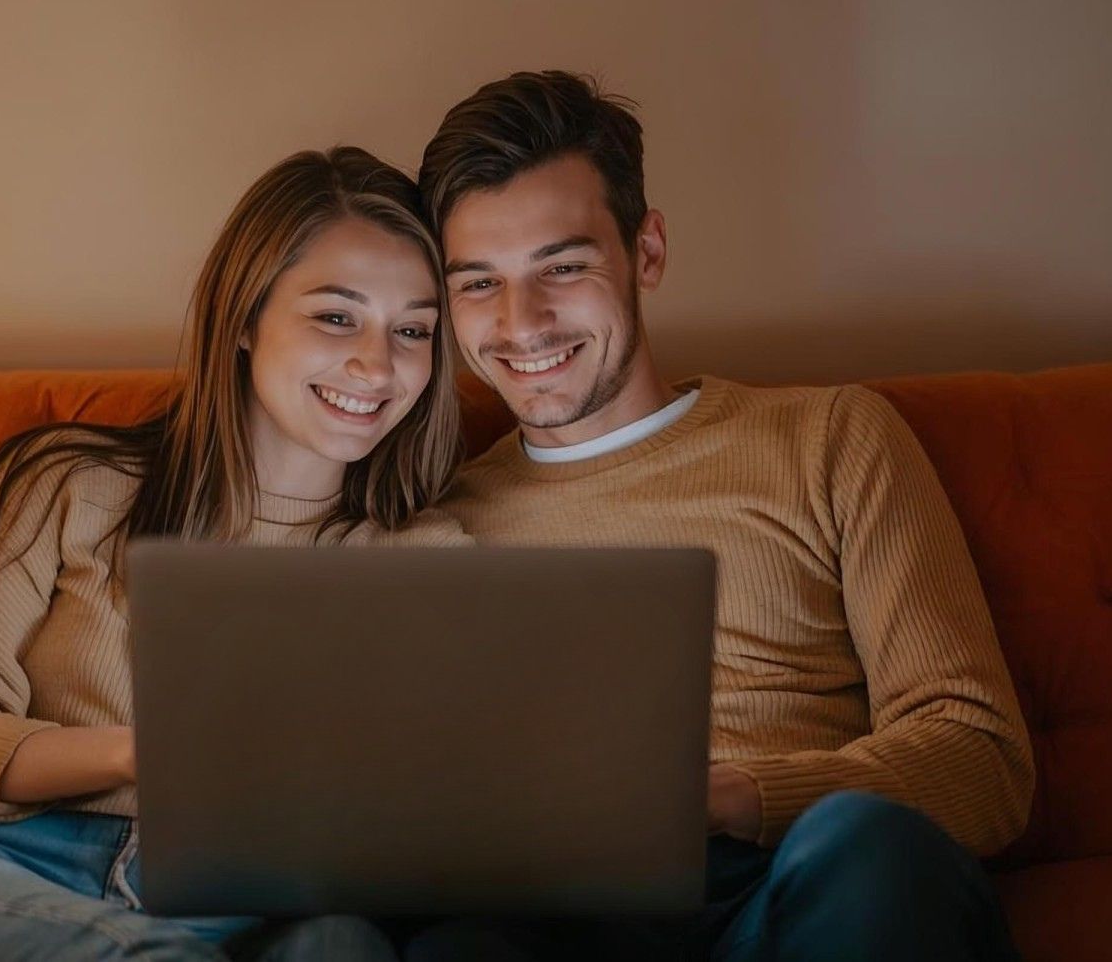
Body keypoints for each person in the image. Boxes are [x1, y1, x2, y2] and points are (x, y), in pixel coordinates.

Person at [404, 71, 1034, 961]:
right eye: (478, 283)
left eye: (563, 266)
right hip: (568, 915)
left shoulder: (830, 437)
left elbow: (984, 761)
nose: (522, 323)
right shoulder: (439, 521)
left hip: (801, 881)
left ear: (647, 251)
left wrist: (732, 795)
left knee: (871, 851)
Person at [0, 146, 468, 962]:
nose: (378, 362)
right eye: (335, 315)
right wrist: (139, 752)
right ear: (245, 317)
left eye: (414, 330)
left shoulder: (426, 560)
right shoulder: (68, 481)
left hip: (236, 901)